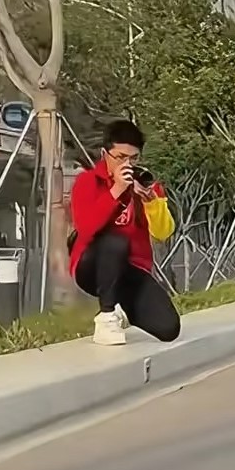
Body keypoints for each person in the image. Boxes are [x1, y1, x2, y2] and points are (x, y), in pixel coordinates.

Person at [69, 119, 179, 346]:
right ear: (104, 153)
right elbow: (86, 229)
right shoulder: (88, 182)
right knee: (115, 242)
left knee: (169, 328)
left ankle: (121, 307)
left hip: (131, 270)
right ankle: (106, 316)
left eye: (133, 158)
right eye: (120, 157)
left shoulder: (147, 184)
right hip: (91, 264)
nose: (127, 164)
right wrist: (116, 190)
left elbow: (163, 233)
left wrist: (151, 203)